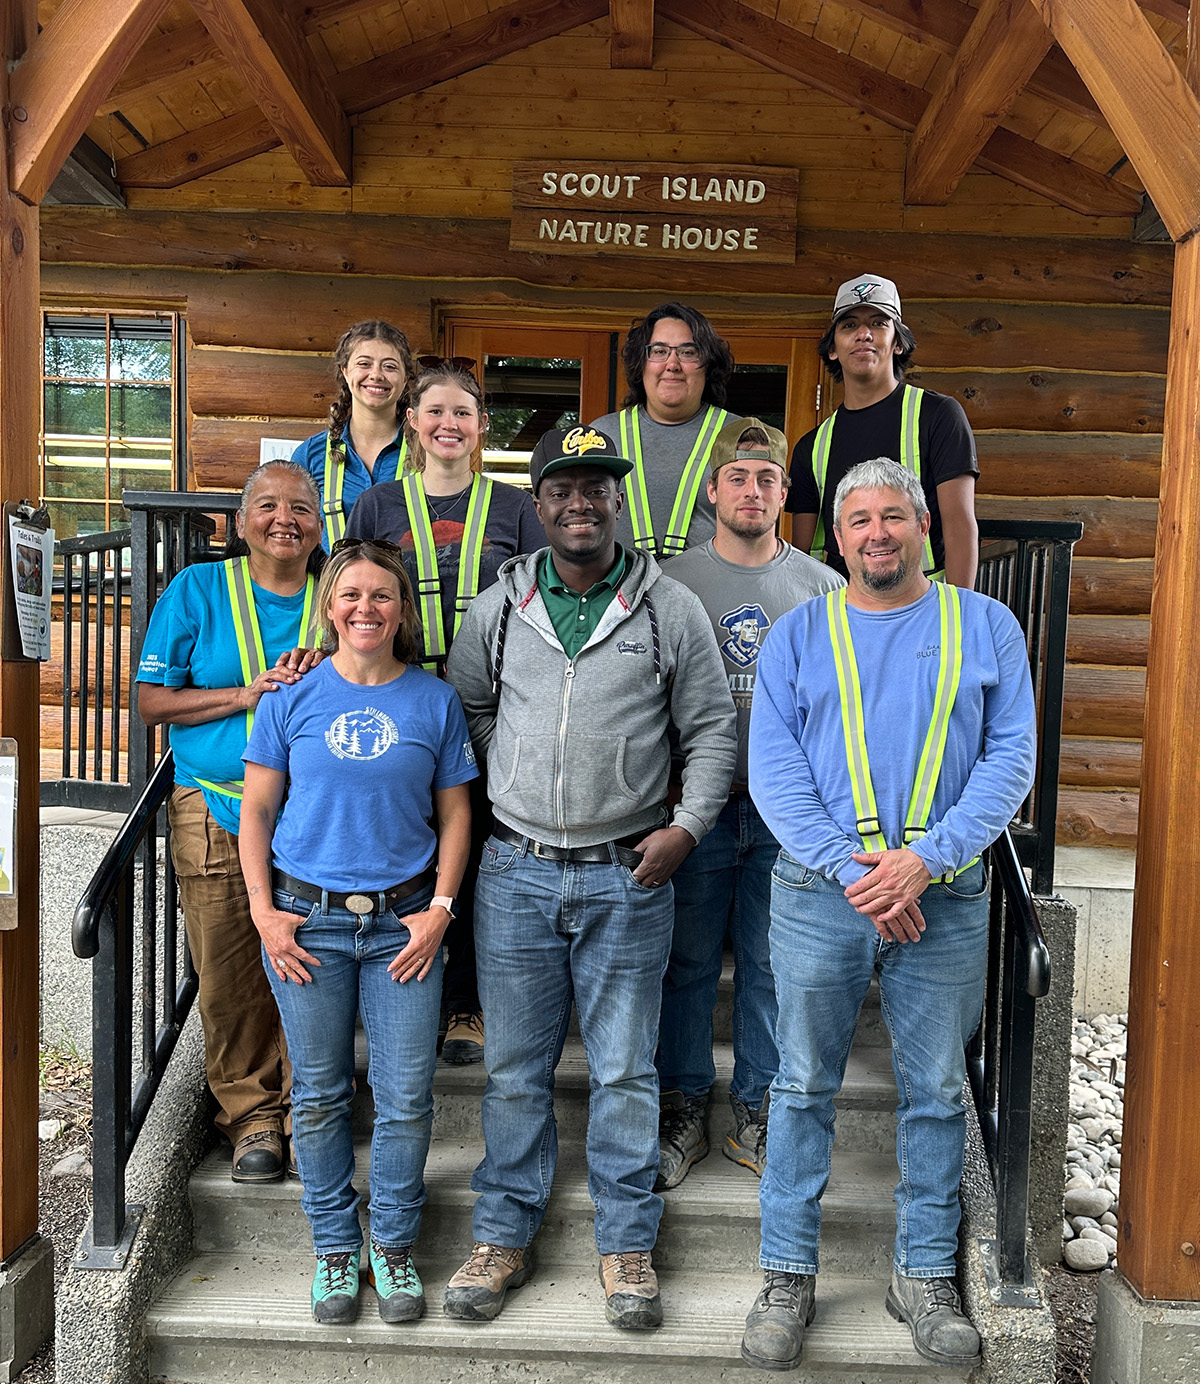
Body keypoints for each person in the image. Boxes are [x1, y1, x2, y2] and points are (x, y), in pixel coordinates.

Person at [740, 458, 1035, 1371]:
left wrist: (925, 861)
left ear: (923, 528)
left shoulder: (984, 626)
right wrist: (857, 873)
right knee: (799, 1088)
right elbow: (774, 771)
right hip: (818, 899)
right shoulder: (798, 635)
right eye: (859, 519)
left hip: (942, 901)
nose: (877, 533)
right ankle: (786, 1273)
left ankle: (924, 1274)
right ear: (839, 534)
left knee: (938, 1094)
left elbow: (1010, 758)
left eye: (895, 516)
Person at [444, 426, 736, 1331]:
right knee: (517, 1071)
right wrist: (519, 781)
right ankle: (501, 1234)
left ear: (619, 501)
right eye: (563, 488)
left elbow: (714, 730)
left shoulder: (667, 608)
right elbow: (470, 707)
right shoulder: (500, 607)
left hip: (629, 876)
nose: (581, 502)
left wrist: (686, 827)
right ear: (538, 503)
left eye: (597, 488)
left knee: (622, 1072)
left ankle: (626, 1246)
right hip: (517, 873)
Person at [238, 538, 477, 1326]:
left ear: (403, 609)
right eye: (351, 595)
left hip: (403, 927)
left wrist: (440, 910)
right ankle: (337, 1247)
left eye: (382, 595)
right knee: (318, 1095)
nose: (366, 608)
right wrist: (264, 911)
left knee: (407, 1098)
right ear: (329, 605)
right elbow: (258, 811)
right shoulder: (290, 695)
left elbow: (454, 814)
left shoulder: (433, 700)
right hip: (307, 924)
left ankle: (396, 1246)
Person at [655, 418, 843, 1192]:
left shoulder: (823, 586)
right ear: (712, 491)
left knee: (771, 965)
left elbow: (840, 707)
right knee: (688, 961)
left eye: (767, 479)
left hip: (784, 813)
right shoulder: (672, 582)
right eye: (739, 477)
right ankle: (683, 1108)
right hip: (696, 802)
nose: (753, 489)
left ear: (784, 493)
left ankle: (758, 1112)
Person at [346, 359, 545, 1065]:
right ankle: (405, 991)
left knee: (478, 855)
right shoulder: (377, 506)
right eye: (435, 412)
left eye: (463, 413)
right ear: (413, 423)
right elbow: (351, 599)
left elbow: (539, 612)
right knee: (411, 851)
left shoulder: (517, 509)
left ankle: (466, 1002)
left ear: (481, 427)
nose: (449, 425)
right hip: (400, 704)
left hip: (488, 712)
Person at [136, 460, 325, 1183]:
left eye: (301, 507)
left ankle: (312, 1109)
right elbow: (153, 702)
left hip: (314, 814)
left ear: (319, 525)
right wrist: (249, 694)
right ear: (241, 521)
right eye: (268, 506)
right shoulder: (197, 591)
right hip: (214, 801)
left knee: (313, 960)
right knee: (228, 966)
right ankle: (252, 1118)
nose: (286, 518)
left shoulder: (335, 597)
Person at [787, 274, 979, 588]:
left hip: (924, 606)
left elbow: (960, 525)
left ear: (898, 343)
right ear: (832, 348)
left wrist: (960, 614)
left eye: (878, 323)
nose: (863, 334)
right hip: (843, 614)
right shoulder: (811, 447)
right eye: (849, 325)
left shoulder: (937, 415)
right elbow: (801, 556)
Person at [591, 302, 739, 559]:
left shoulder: (739, 435)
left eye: (688, 352)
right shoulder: (601, 435)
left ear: (708, 364)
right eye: (659, 351)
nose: (672, 364)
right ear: (642, 363)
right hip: (617, 593)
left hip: (709, 595)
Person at [292, 321, 415, 550]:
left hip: (407, 585)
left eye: (389, 366)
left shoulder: (426, 453)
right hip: (330, 584)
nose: (376, 375)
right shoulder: (310, 455)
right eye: (364, 364)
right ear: (345, 371)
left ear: (405, 377)